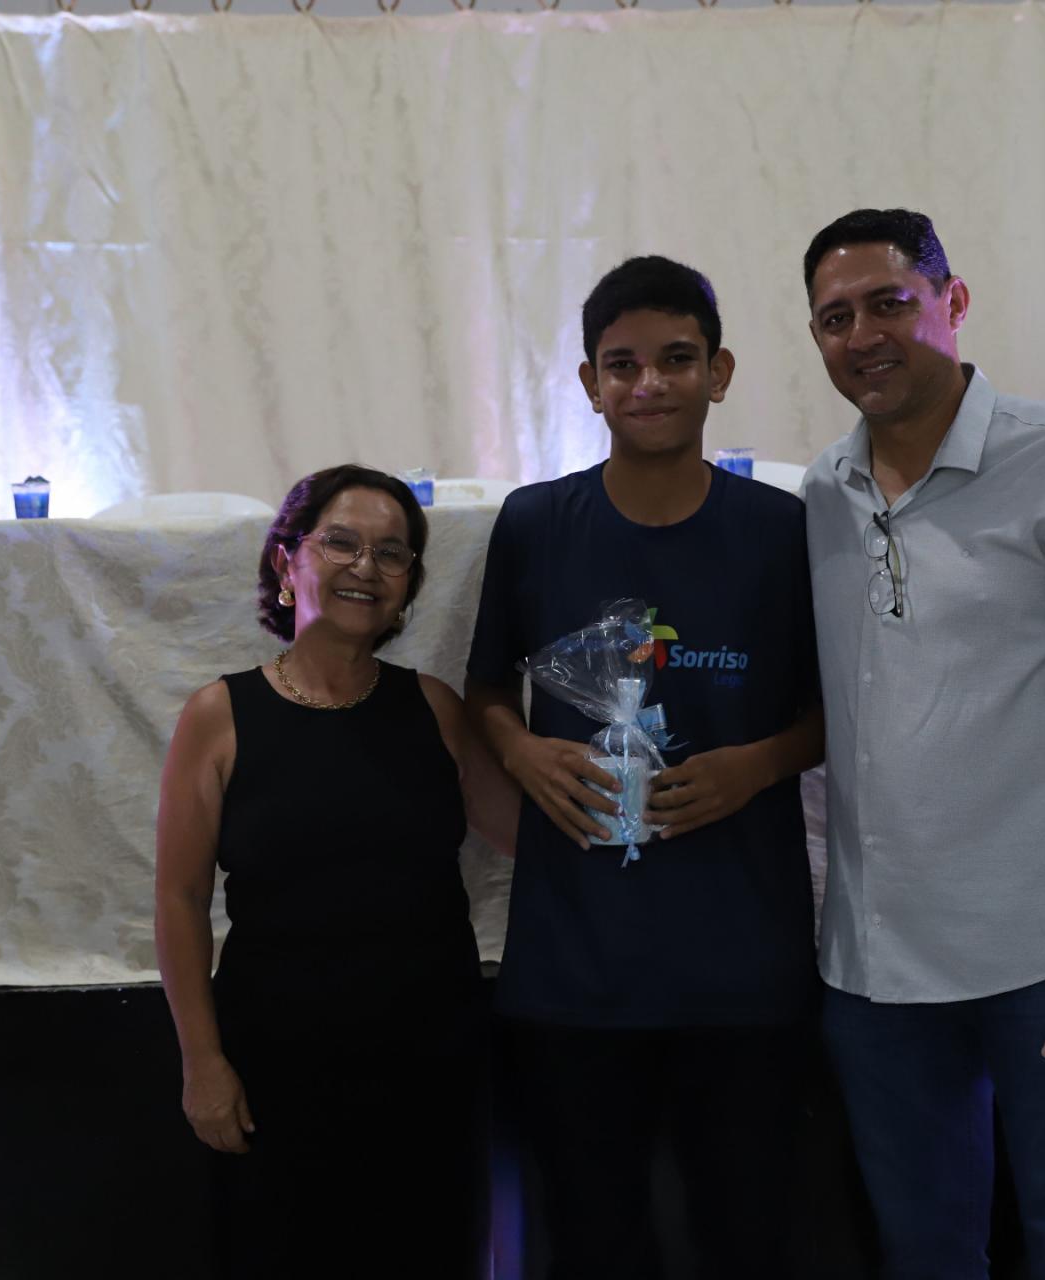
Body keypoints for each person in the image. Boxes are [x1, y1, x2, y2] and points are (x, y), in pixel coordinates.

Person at [799, 208, 1045, 1279]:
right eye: (835, 318)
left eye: (890, 302)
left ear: (953, 300)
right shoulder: (822, 493)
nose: (863, 336)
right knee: (923, 1256)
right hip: (875, 968)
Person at [464, 256, 823, 1279]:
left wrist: (757, 764)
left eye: (677, 359)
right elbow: (485, 689)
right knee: (592, 1241)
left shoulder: (782, 530)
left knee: (747, 1240)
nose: (649, 383)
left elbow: (837, 713)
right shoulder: (536, 523)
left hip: (744, 964)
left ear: (720, 372)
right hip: (576, 969)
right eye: (622, 364)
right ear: (589, 383)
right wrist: (522, 747)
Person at [153, 464, 517, 1279]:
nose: (366, 567)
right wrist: (202, 1062)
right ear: (287, 562)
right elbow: (179, 899)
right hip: (275, 1067)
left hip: (430, 1064)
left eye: (392, 553)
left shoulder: (434, 707)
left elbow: (525, 838)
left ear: (409, 583)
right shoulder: (220, 715)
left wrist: (616, 764)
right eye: (342, 544)